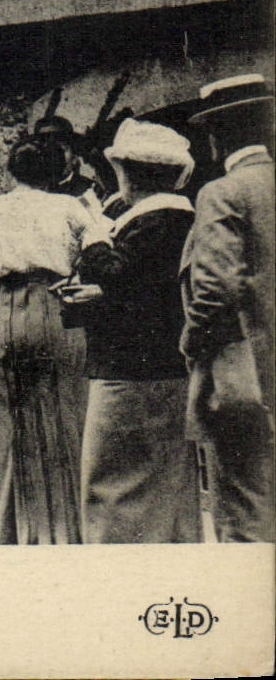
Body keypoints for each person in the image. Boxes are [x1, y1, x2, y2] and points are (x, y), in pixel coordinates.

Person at [73, 118, 200, 543]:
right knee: (168, 481)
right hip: (172, 368)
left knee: (110, 483)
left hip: (127, 373)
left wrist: (94, 242)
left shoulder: (150, 223)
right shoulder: (182, 220)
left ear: (129, 172)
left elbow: (119, 276)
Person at [0, 135, 103, 544]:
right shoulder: (70, 206)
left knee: (7, 417)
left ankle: (3, 529)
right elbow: (101, 249)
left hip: (8, 309)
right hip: (55, 304)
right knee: (65, 412)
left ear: (12, 170)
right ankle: (67, 529)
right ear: (58, 171)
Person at [180, 74, 274, 543]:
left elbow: (214, 288)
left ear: (216, 136)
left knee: (244, 505)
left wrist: (190, 341)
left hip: (247, 375)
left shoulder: (222, 192)